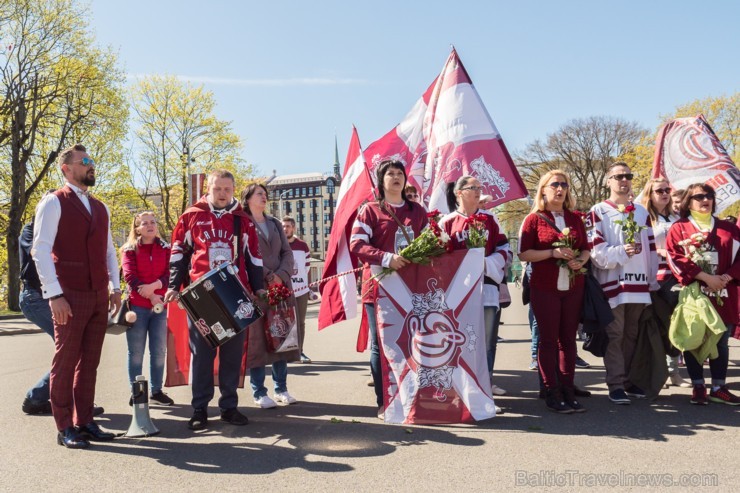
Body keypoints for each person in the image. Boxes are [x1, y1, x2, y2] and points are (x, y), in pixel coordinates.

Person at [31, 144, 120, 449]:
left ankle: (85, 421)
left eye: (92, 160)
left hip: (97, 294)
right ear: (66, 168)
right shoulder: (54, 202)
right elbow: (40, 250)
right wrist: (54, 295)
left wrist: (115, 287)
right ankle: (64, 426)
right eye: (84, 161)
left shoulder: (101, 207)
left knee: (90, 362)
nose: (90, 165)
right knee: (65, 362)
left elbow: (109, 250)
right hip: (67, 293)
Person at [163, 169, 265, 431]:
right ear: (207, 189)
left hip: (234, 293)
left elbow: (253, 257)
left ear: (233, 190)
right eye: (217, 188)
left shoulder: (242, 220)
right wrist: (174, 286)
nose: (222, 194)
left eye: (227, 189)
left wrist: (259, 288)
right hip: (201, 294)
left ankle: (229, 406)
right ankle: (199, 408)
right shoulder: (192, 217)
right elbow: (179, 253)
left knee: (232, 355)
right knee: (203, 355)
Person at [349, 160, 428, 418]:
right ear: (381, 181)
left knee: (415, 342)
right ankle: (385, 401)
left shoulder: (417, 211)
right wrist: (386, 258)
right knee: (382, 345)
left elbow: (430, 243)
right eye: (390, 174)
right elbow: (357, 244)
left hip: (413, 289)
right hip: (379, 289)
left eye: (399, 174)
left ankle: (414, 396)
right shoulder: (370, 211)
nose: (395, 177)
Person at [519, 170, 590, 413]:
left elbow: (586, 249)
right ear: (544, 190)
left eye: (564, 185)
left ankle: (568, 390)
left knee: (568, 341)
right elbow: (524, 254)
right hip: (544, 287)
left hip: (572, 287)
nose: (560, 189)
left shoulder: (575, 218)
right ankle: (551, 391)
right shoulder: (534, 219)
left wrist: (580, 261)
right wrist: (552, 253)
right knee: (548, 341)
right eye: (554, 185)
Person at [587, 162, 659, 405]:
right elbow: (595, 251)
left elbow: (650, 249)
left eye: (628, 176)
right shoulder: (598, 210)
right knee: (615, 333)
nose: (624, 180)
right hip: (613, 282)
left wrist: (651, 280)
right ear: (608, 181)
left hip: (638, 285)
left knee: (632, 334)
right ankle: (615, 383)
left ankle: (628, 379)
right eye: (618, 176)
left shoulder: (640, 211)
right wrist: (621, 252)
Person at [666, 183, 740, 405]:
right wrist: (706, 278)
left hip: (725, 292)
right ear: (688, 202)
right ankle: (698, 386)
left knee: (721, 341)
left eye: (709, 196)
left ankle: (719, 386)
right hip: (695, 292)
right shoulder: (679, 228)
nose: (705, 199)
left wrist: (724, 279)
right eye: (699, 196)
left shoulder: (729, 228)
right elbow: (675, 258)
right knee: (694, 338)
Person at [440, 176, 510, 400]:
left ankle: (484, 388)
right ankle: (460, 389)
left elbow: (505, 249)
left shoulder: (490, 219)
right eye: (473, 188)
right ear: (458, 193)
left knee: (487, 341)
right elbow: (439, 258)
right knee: (461, 340)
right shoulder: (447, 222)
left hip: (487, 288)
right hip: (458, 293)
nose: (479, 191)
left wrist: (486, 263)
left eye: (480, 187)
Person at [240, 183, 301, 408]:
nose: (264, 197)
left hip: (281, 288)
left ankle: (281, 388)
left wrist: (281, 275)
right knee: (257, 342)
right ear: (248, 198)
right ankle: (259, 392)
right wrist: (267, 276)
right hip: (256, 289)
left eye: (265, 195)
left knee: (281, 336)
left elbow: (287, 252)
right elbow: (244, 256)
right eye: (259, 194)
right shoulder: (243, 223)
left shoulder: (275, 223)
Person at [639, 179, 690, 388]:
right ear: (649, 194)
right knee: (657, 327)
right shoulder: (643, 217)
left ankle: (674, 372)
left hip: (677, 276)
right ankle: (656, 373)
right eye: (659, 190)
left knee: (676, 324)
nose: (664, 193)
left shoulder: (677, 217)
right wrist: (658, 251)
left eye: (667, 190)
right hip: (654, 278)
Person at [120, 211, 174, 406]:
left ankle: (156, 391)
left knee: (159, 351)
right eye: (145, 223)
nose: (150, 225)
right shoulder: (129, 249)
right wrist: (151, 295)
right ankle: (136, 392)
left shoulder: (166, 248)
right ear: (137, 228)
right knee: (135, 352)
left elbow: (171, 274)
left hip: (160, 307)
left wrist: (156, 287)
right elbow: (129, 277)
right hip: (137, 308)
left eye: (153, 222)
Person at [282, 215, 312, 363]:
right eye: (283, 226)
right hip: (284, 291)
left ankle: (299, 352)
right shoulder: (279, 245)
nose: (285, 229)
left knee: (300, 322)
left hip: (301, 291)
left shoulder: (302, 246)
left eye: (287, 226)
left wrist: (305, 285)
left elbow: (307, 268)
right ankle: (286, 352)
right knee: (285, 322)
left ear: (293, 228)